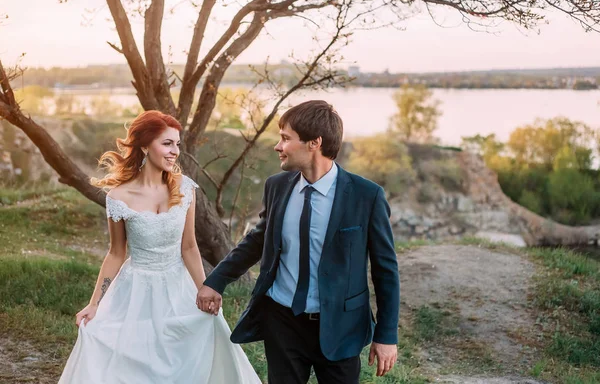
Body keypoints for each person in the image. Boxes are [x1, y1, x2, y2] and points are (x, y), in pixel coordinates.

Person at [198, 100, 400, 384]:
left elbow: (385, 270)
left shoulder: (366, 196)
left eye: (285, 138)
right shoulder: (277, 186)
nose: (277, 146)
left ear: (314, 143)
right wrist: (215, 280)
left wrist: (386, 335)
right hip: (282, 322)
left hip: (340, 326)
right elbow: (258, 240)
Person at [58, 110, 260, 384]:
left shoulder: (184, 188)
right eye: (167, 143)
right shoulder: (118, 197)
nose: (175, 151)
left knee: (197, 344)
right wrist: (94, 304)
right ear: (144, 146)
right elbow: (116, 253)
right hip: (135, 289)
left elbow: (189, 247)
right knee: (134, 360)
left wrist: (206, 288)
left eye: (177, 144)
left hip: (178, 286)